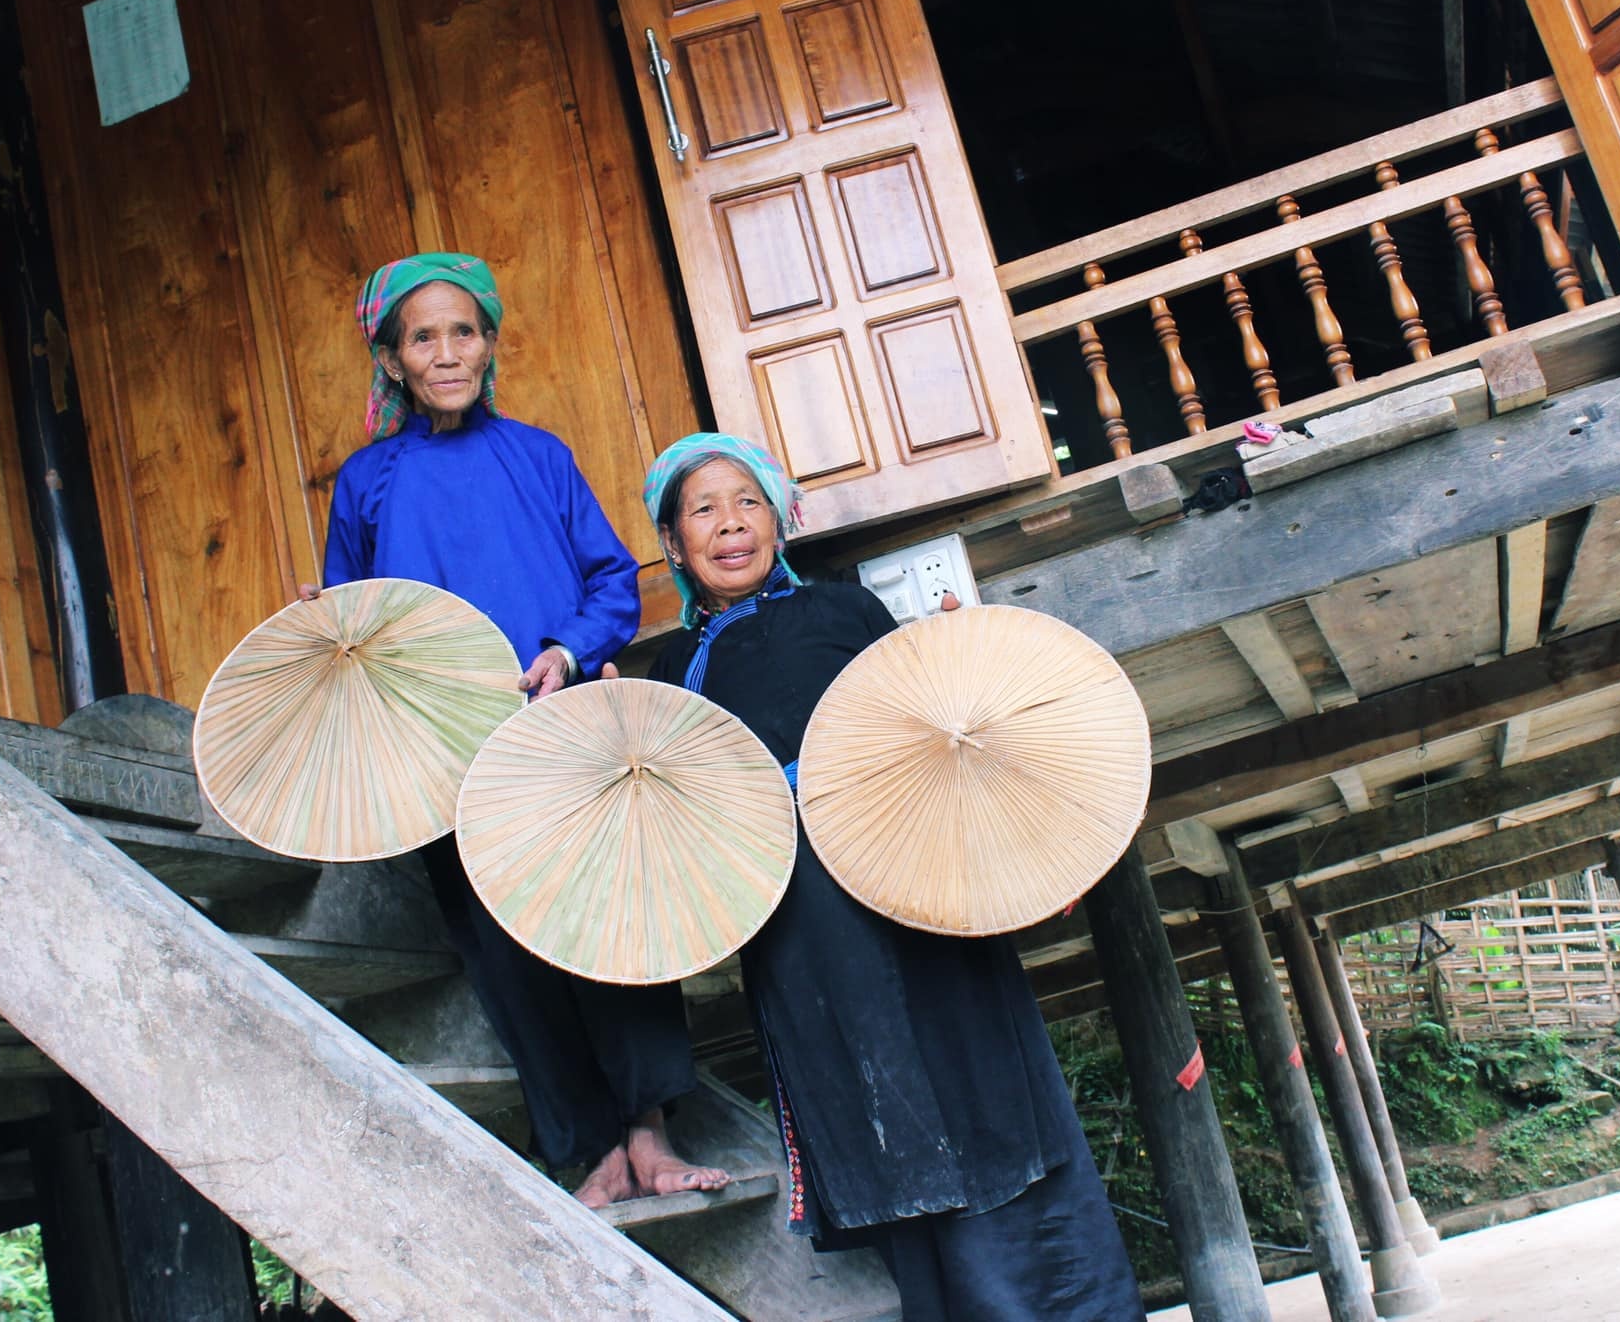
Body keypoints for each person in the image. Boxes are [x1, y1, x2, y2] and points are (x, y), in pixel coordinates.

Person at [641, 431, 1146, 1320]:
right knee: (879, 1113)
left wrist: (1021, 856)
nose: (730, 525)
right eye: (704, 511)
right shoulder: (671, 672)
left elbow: (932, 734)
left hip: (907, 881)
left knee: (983, 1082)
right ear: (675, 544)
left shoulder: (847, 613)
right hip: (800, 925)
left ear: (780, 520)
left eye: (747, 501)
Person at [309, 252, 726, 1207]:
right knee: (502, 948)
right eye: (424, 337)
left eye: (464, 331)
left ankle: (649, 1132)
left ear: (489, 344)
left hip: (557, 723)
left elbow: (611, 579)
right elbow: (350, 615)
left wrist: (569, 650)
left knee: (607, 917)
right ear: (392, 360)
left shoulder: (538, 456)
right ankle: (592, 1155)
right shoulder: (366, 482)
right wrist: (318, 623)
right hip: (444, 750)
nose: (447, 351)